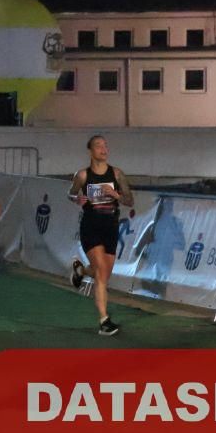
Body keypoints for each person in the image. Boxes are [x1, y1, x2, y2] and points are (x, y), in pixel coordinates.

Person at [68, 135, 135, 336]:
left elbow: (130, 201)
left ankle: (80, 271)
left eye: (105, 146)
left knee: (103, 274)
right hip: (91, 227)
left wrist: (116, 195)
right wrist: (77, 199)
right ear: (90, 150)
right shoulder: (82, 175)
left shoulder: (117, 174)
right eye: (99, 146)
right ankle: (104, 321)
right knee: (101, 273)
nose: (104, 149)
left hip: (111, 228)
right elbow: (71, 193)